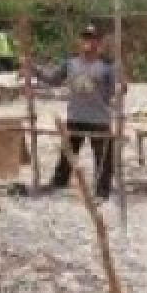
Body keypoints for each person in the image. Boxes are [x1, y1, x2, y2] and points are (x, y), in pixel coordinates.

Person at [40, 24, 115, 199]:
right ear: (80, 41)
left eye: (92, 38)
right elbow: (52, 80)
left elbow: (114, 90)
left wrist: (121, 86)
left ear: (99, 42)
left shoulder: (106, 66)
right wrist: (34, 70)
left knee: (103, 157)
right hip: (75, 116)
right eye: (85, 38)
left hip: (99, 118)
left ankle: (103, 191)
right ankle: (60, 181)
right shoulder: (70, 63)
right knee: (67, 152)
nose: (88, 42)